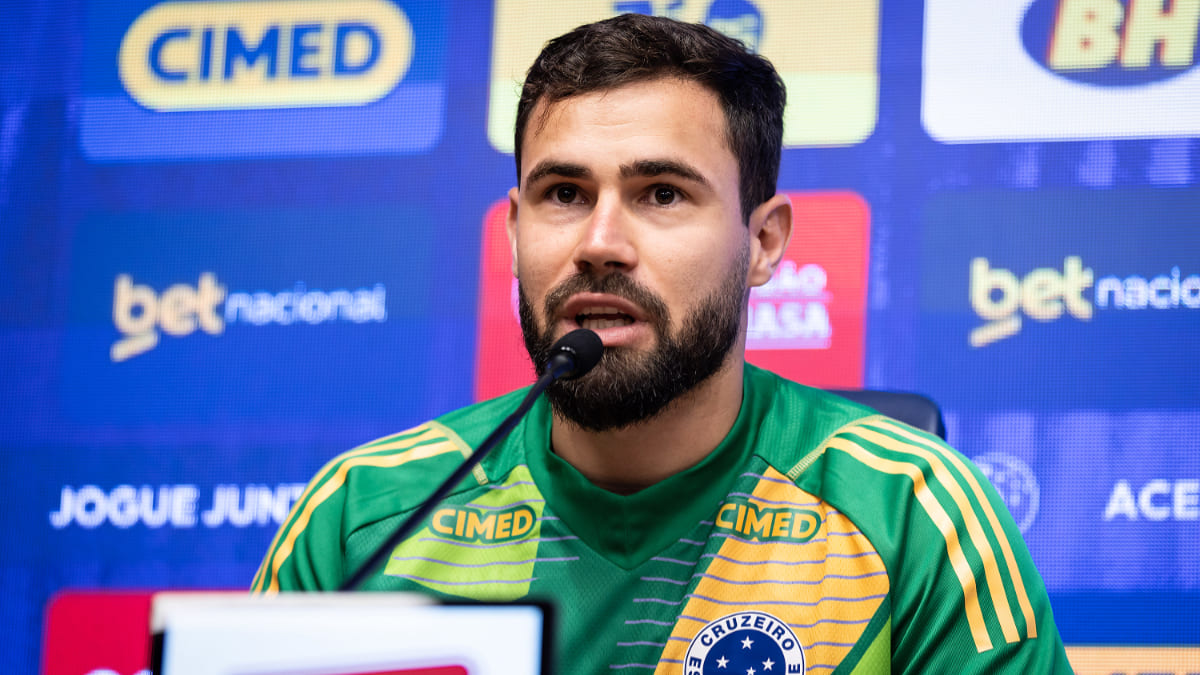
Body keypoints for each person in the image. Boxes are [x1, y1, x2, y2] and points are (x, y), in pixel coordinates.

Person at [253, 13, 1071, 673]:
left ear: (764, 242)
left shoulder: (914, 512)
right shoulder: (361, 517)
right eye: (564, 192)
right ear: (513, 232)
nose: (600, 243)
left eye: (662, 193)